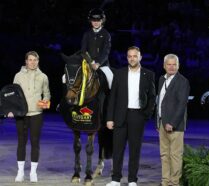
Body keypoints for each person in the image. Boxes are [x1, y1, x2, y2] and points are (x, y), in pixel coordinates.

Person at [105, 46, 156, 186]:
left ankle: (132, 180)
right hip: (120, 116)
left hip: (137, 116)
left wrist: (146, 115)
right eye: (129, 56)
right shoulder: (119, 73)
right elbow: (113, 97)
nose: (132, 58)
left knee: (135, 150)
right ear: (127, 58)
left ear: (140, 57)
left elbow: (152, 97)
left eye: (135, 56)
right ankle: (115, 179)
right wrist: (109, 118)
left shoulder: (148, 74)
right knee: (117, 149)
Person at [8, 51, 51, 183]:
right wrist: (11, 110)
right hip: (21, 114)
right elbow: (13, 94)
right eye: (30, 60)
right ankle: (20, 172)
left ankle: (33, 172)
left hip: (36, 113)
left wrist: (45, 101)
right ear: (26, 61)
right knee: (21, 142)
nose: (33, 62)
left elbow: (47, 93)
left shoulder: (43, 76)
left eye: (35, 60)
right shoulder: (18, 76)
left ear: (38, 61)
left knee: (35, 142)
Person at [81, 7, 113, 176]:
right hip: (88, 65)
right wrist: (88, 62)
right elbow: (83, 50)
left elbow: (106, 51)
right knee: (73, 80)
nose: (95, 22)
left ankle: (111, 108)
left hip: (103, 65)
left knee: (112, 81)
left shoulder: (106, 34)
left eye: (98, 19)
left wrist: (98, 63)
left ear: (102, 20)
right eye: (93, 20)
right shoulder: (87, 34)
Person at [156, 54, 190, 186]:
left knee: (175, 156)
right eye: (169, 64)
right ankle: (165, 182)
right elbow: (159, 103)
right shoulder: (161, 79)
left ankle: (174, 183)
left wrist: (172, 123)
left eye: (174, 64)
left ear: (178, 66)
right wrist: (158, 122)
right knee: (164, 155)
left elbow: (182, 105)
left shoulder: (183, 81)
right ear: (164, 66)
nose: (171, 67)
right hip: (161, 124)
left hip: (175, 126)